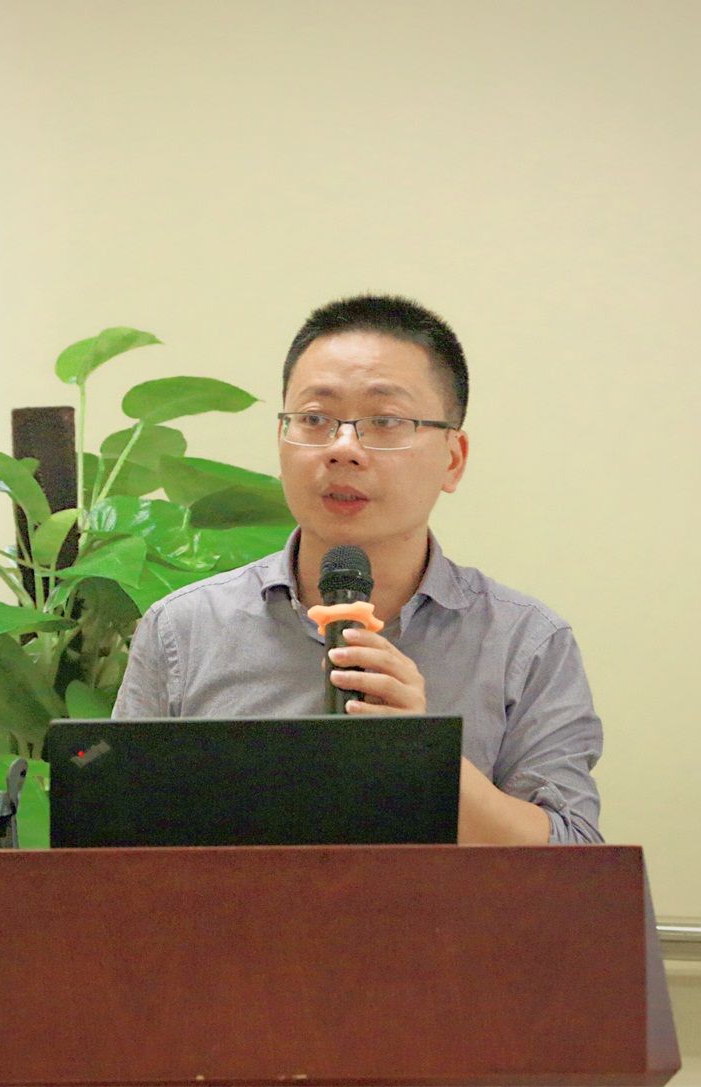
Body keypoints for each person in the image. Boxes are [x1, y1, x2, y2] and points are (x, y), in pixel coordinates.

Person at [113, 295, 603, 844]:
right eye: (314, 419)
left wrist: (428, 755)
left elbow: (575, 857)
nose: (343, 448)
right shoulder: (183, 630)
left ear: (453, 458)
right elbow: (112, 847)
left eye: (385, 421)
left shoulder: (525, 643)